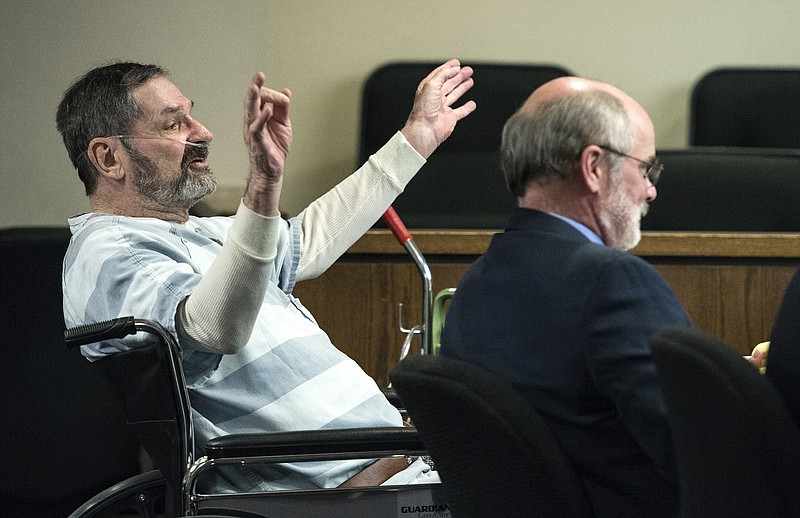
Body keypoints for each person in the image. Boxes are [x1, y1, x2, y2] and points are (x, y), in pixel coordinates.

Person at [57, 59, 475, 491]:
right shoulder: (110, 252)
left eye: (191, 114)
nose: (202, 132)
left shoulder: (199, 232)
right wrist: (263, 186)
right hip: (339, 499)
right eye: (173, 124)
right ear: (108, 157)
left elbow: (310, 240)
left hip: (399, 470)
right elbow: (209, 330)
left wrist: (417, 138)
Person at [439, 76, 692, 517]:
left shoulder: (475, 283)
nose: (650, 189)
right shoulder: (614, 282)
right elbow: (699, 447)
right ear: (594, 167)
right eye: (646, 168)